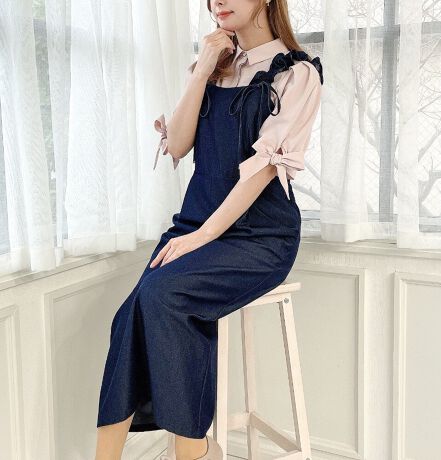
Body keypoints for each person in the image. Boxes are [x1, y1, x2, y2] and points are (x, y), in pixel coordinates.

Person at [94, 0, 323, 459]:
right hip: (194, 222)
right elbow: (179, 144)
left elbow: (261, 173)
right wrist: (201, 70)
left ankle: (192, 450)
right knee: (131, 315)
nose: (217, 1)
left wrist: (202, 237)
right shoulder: (214, 67)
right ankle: (110, 454)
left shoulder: (297, 75)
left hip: (259, 237)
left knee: (162, 296)